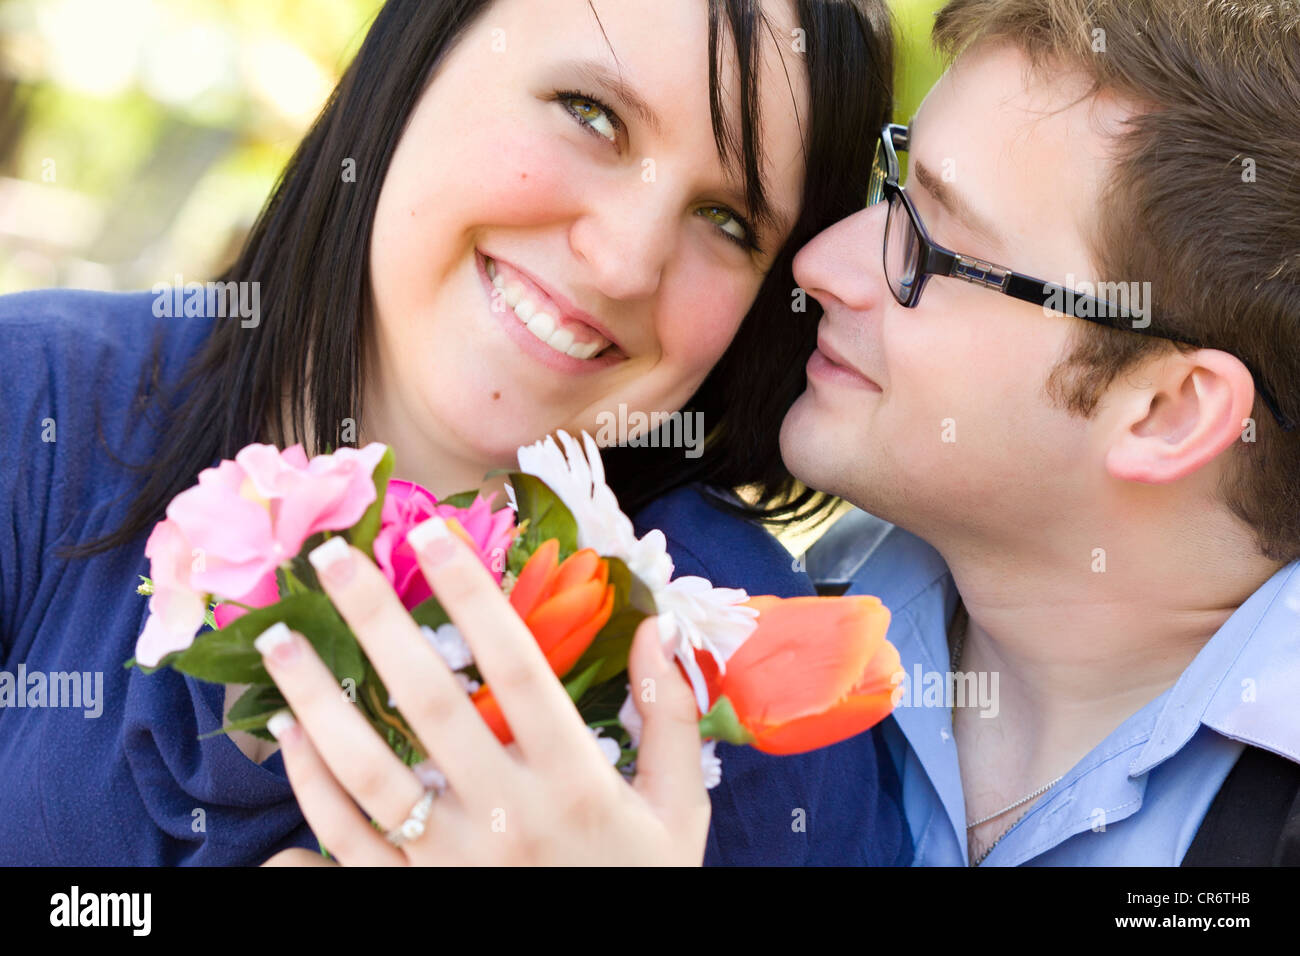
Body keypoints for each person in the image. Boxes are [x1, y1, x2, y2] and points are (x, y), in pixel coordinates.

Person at [0, 0, 908, 865]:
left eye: (726, 220)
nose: (626, 260)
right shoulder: (37, 402)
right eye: (590, 113)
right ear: (417, 53)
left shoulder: (741, 656)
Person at [778, 0, 1300, 865]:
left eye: (932, 250)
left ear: (1168, 413)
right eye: (894, 186)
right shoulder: (739, 609)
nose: (821, 264)